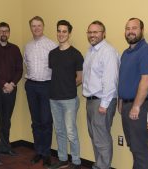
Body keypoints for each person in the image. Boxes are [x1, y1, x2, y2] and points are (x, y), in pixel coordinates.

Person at [118, 18, 148, 169]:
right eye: (127, 28)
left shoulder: (147, 51)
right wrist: (121, 102)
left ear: (142, 30)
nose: (130, 31)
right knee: (134, 147)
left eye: (134, 28)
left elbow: (146, 81)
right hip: (128, 105)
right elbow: (124, 79)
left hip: (139, 107)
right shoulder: (126, 53)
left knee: (140, 149)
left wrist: (136, 106)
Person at [0, 22, 23, 165]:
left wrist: (12, 84)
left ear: (9, 33)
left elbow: (19, 70)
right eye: (1, 31)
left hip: (11, 89)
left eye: (6, 31)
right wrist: (3, 84)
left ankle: (5, 147)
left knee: (6, 121)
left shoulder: (15, 49)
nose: (3, 33)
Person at [82, 20, 119, 169]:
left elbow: (110, 80)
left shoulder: (108, 51)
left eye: (96, 32)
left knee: (101, 138)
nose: (92, 35)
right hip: (91, 100)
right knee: (95, 136)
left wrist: (104, 104)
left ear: (103, 33)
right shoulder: (90, 51)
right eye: (90, 32)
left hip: (102, 101)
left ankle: (103, 166)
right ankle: (99, 165)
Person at [48, 20, 84, 169]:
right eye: (59, 31)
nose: (61, 34)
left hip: (69, 99)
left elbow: (80, 78)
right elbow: (54, 75)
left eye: (64, 31)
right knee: (59, 130)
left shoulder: (76, 54)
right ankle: (62, 158)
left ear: (69, 33)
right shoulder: (52, 53)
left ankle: (76, 161)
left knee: (71, 132)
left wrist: (68, 87)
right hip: (54, 99)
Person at [24, 16, 57, 167]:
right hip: (31, 86)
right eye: (33, 26)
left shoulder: (52, 45)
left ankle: (46, 153)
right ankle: (38, 151)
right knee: (35, 121)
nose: (36, 28)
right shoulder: (28, 46)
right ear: (30, 28)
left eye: (38, 25)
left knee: (46, 121)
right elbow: (26, 64)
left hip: (46, 86)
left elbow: (56, 68)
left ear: (43, 27)